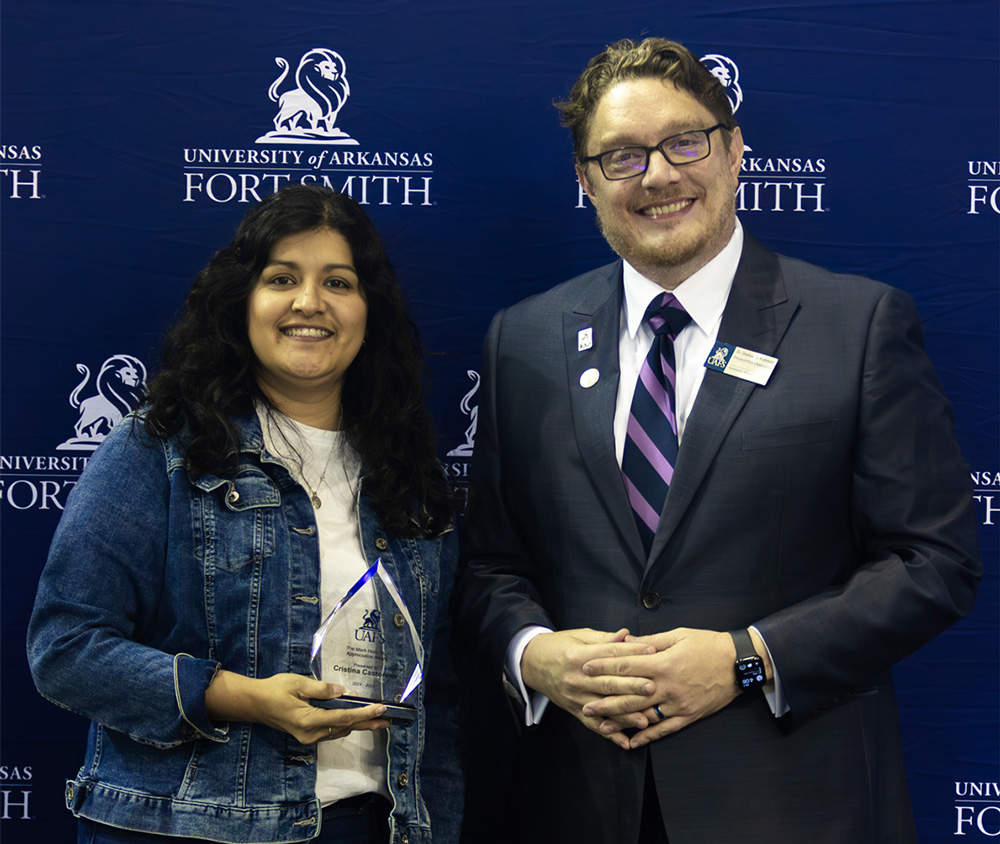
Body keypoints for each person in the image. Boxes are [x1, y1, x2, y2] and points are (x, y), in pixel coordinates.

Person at [454, 37, 981, 844]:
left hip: (791, 803)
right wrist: (533, 655)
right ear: (586, 181)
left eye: (684, 143)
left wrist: (749, 657)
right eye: (623, 156)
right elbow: (491, 563)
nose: (658, 175)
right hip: (573, 799)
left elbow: (933, 562)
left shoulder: (858, 325)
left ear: (734, 151)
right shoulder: (521, 341)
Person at [28, 184, 462, 844]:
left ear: (369, 310)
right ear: (242, 303)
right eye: (282, 278)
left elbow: (439, 701)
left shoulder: (411, 481)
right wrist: (238, 696)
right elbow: (65, 649)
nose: (309, 302)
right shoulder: (161, 449)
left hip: (369, 826)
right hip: (185, 829)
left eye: (338, 282)